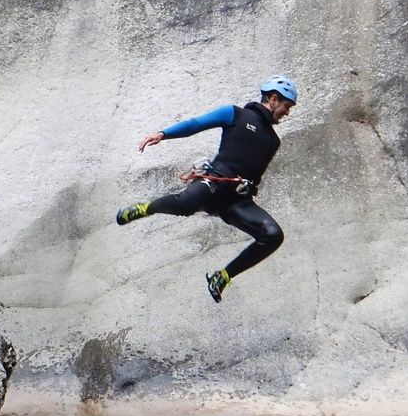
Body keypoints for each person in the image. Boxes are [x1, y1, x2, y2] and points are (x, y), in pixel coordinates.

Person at [115, 75, 297, 302]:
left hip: (235, 201)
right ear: (273, 98)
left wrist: (249, 187)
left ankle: (222, 276)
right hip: (213, 182)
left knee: (273, 235)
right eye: (287, 106)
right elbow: (196, 124)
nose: (287, 113)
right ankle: (145, 208)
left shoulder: (273, 141)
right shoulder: (235, 114)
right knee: (186, 204)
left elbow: (253, 172)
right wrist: (163, 134)